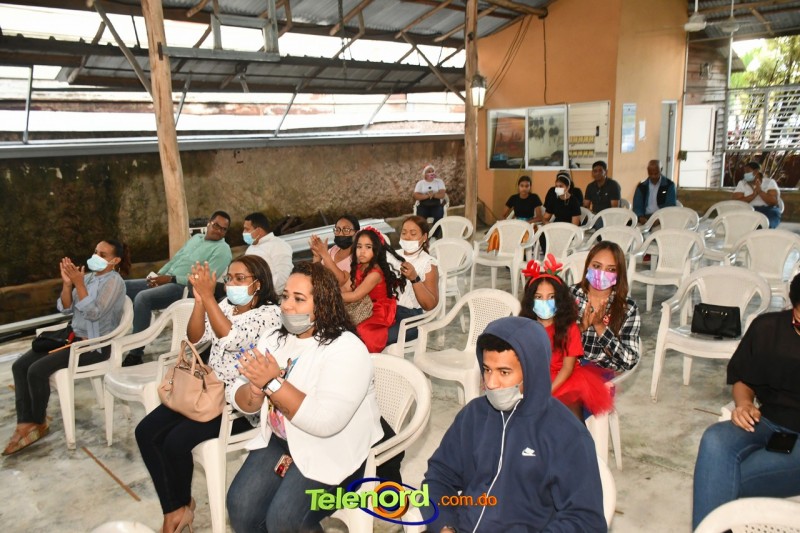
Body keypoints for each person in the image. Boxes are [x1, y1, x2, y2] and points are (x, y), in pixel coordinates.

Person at [225, 262, 384, 533]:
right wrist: (253, 391)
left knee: (284, 519)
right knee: (241, 507)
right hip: (282, 440)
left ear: (322, 305)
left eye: (299, 299)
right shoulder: (274, 339)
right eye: (286, 296)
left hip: (332, 448)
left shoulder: (346, 349)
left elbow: (326, 422)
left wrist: (272, 382)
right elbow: (239, 395)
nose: (287, 305)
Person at [135, 255, 281, 533]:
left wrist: (210, 298)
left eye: (240, 279)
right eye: (229, 278)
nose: (232, 284)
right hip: (205, 392)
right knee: (145, 432)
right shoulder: (226, 305)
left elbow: (231, 338)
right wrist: (201, 302)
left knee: (175, 442)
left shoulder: (270, 314)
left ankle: (177, 510)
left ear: (258, 284)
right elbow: (194, 338)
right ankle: (176, 508)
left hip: (237, 405)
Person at [420, 316, 607, 532]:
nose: (491, 383)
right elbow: (438, 478)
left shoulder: (566, 434)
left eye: (504, 372)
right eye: (487, 369)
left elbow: (586, 520)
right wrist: (444, 525)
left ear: (531, 371)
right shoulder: (474, 415)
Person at [691, 273, 800, 529]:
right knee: (715, 440)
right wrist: (744, 405)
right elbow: (743, 379)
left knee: (719, 478)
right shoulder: (768, 328)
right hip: (766, 421)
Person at [4, 240, 129, 455]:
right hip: (70, 338)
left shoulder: (114, 282)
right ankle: (25, 421)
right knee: (20, 365)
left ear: (115, 260)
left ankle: (37, 421)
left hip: (93, 345)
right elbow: (66, 308)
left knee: (36, 370)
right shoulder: (88, 277)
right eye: (95, 251)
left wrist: (79, 284)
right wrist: (68, 284)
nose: (96, 256)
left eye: (102, 254)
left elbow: (94, 313)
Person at [123, 211, 233, 366]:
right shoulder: (196, 238)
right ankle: (106, 333)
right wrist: (159, 275)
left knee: (143, 297)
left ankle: (135, 354)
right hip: (166, 278)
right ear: (209, 223)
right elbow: (176, 259)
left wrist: (170, 279)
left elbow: (205, 280)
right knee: (123, 287)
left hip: (182, 287)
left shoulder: (222, 250)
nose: (219, 231)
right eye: (216, 226)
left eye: (223, 229)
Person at [519, 257, 613, 419]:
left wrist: (547, 391)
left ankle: (578, 436)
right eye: (539, 297)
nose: (545, 302)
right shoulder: (524, 327)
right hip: (535, 377)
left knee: (570, 413)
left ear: (560, 300)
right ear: (530, 300)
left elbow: (567, 368)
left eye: (551, 297)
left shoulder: (569, 328)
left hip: (565, 379)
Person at [569, 241, 641, 374]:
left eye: (611, 269)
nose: (601, 273)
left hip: (602, 372)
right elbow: (552, 340)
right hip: (566, 365)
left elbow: (630, 360)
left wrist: (600, 327)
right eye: (597, 266)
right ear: (587, 266)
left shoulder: (627, 307)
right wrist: (580, 328)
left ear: (619, 274)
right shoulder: (569, 295)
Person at [341, 227, 401, 353]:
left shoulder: (375, 273)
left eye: (368, 247)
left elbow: (355, 295)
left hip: (378, 309)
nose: (362, 251)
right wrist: (335, 292)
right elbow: (347, 287)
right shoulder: (359, 267)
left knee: (362, 331)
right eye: (359, 247)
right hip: (363, 304)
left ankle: (366, 357)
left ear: (376, 250)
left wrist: (331, 296)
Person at [386, 216, 440, 346]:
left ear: (424, 237)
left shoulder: (428, 263)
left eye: (413, 233)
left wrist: (415, 279)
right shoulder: (391, 256)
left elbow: (430, 305)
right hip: (387, 309)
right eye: (404, 233)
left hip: (410, 318)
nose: (407, 237)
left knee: (378, 336)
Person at [243, 212, 294, 294]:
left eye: (247, 229)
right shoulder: (250, 248)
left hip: (271, 297)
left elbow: (282, 279)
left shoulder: (278, 246)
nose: (244, 232)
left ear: (258, 230)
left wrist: (266, 296)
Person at [309, 214, 360, 286]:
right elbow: (316, 276)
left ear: (356, 233)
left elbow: (340, 282)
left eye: (346, 230)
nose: (340, 234)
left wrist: (324, 254)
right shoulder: (333, 250)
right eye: (337, 230)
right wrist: (317, 256)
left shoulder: (359, 257)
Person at [733, 161, 782, 229]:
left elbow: (773, 202)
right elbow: (737, 202)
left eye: (747, 171)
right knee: (742, 225)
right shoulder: (742, 183)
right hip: (749, 210)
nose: (745, 174)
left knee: (767, 224)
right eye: (745, 172)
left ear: (756, 171)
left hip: (768, 209)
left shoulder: (769, 182)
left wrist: (760, 191)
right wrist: (753, 195)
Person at [632, 160, 677, 225]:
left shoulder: (669, 185)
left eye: (656, 173)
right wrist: (640, 217)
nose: (653, 176)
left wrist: (660, 219)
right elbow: (637, 206)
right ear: (647, 171)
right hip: (645, 217)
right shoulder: (641, 187)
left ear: (661, 170)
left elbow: (670, 206)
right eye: (650, 174)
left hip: (662, 218)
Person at [413, 164, 447, 230]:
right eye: (428, 172)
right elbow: (416, 196)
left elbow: (442, 194)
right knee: (420, 219)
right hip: (423, 205)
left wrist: (433, 195)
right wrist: (428, 196)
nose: (431, 173)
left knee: (439, 215)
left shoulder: (439, 182)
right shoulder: (420, 183)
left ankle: (435, 234)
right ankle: (423, 233)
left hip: (436, 205)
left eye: (432, 171)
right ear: (424, 174)